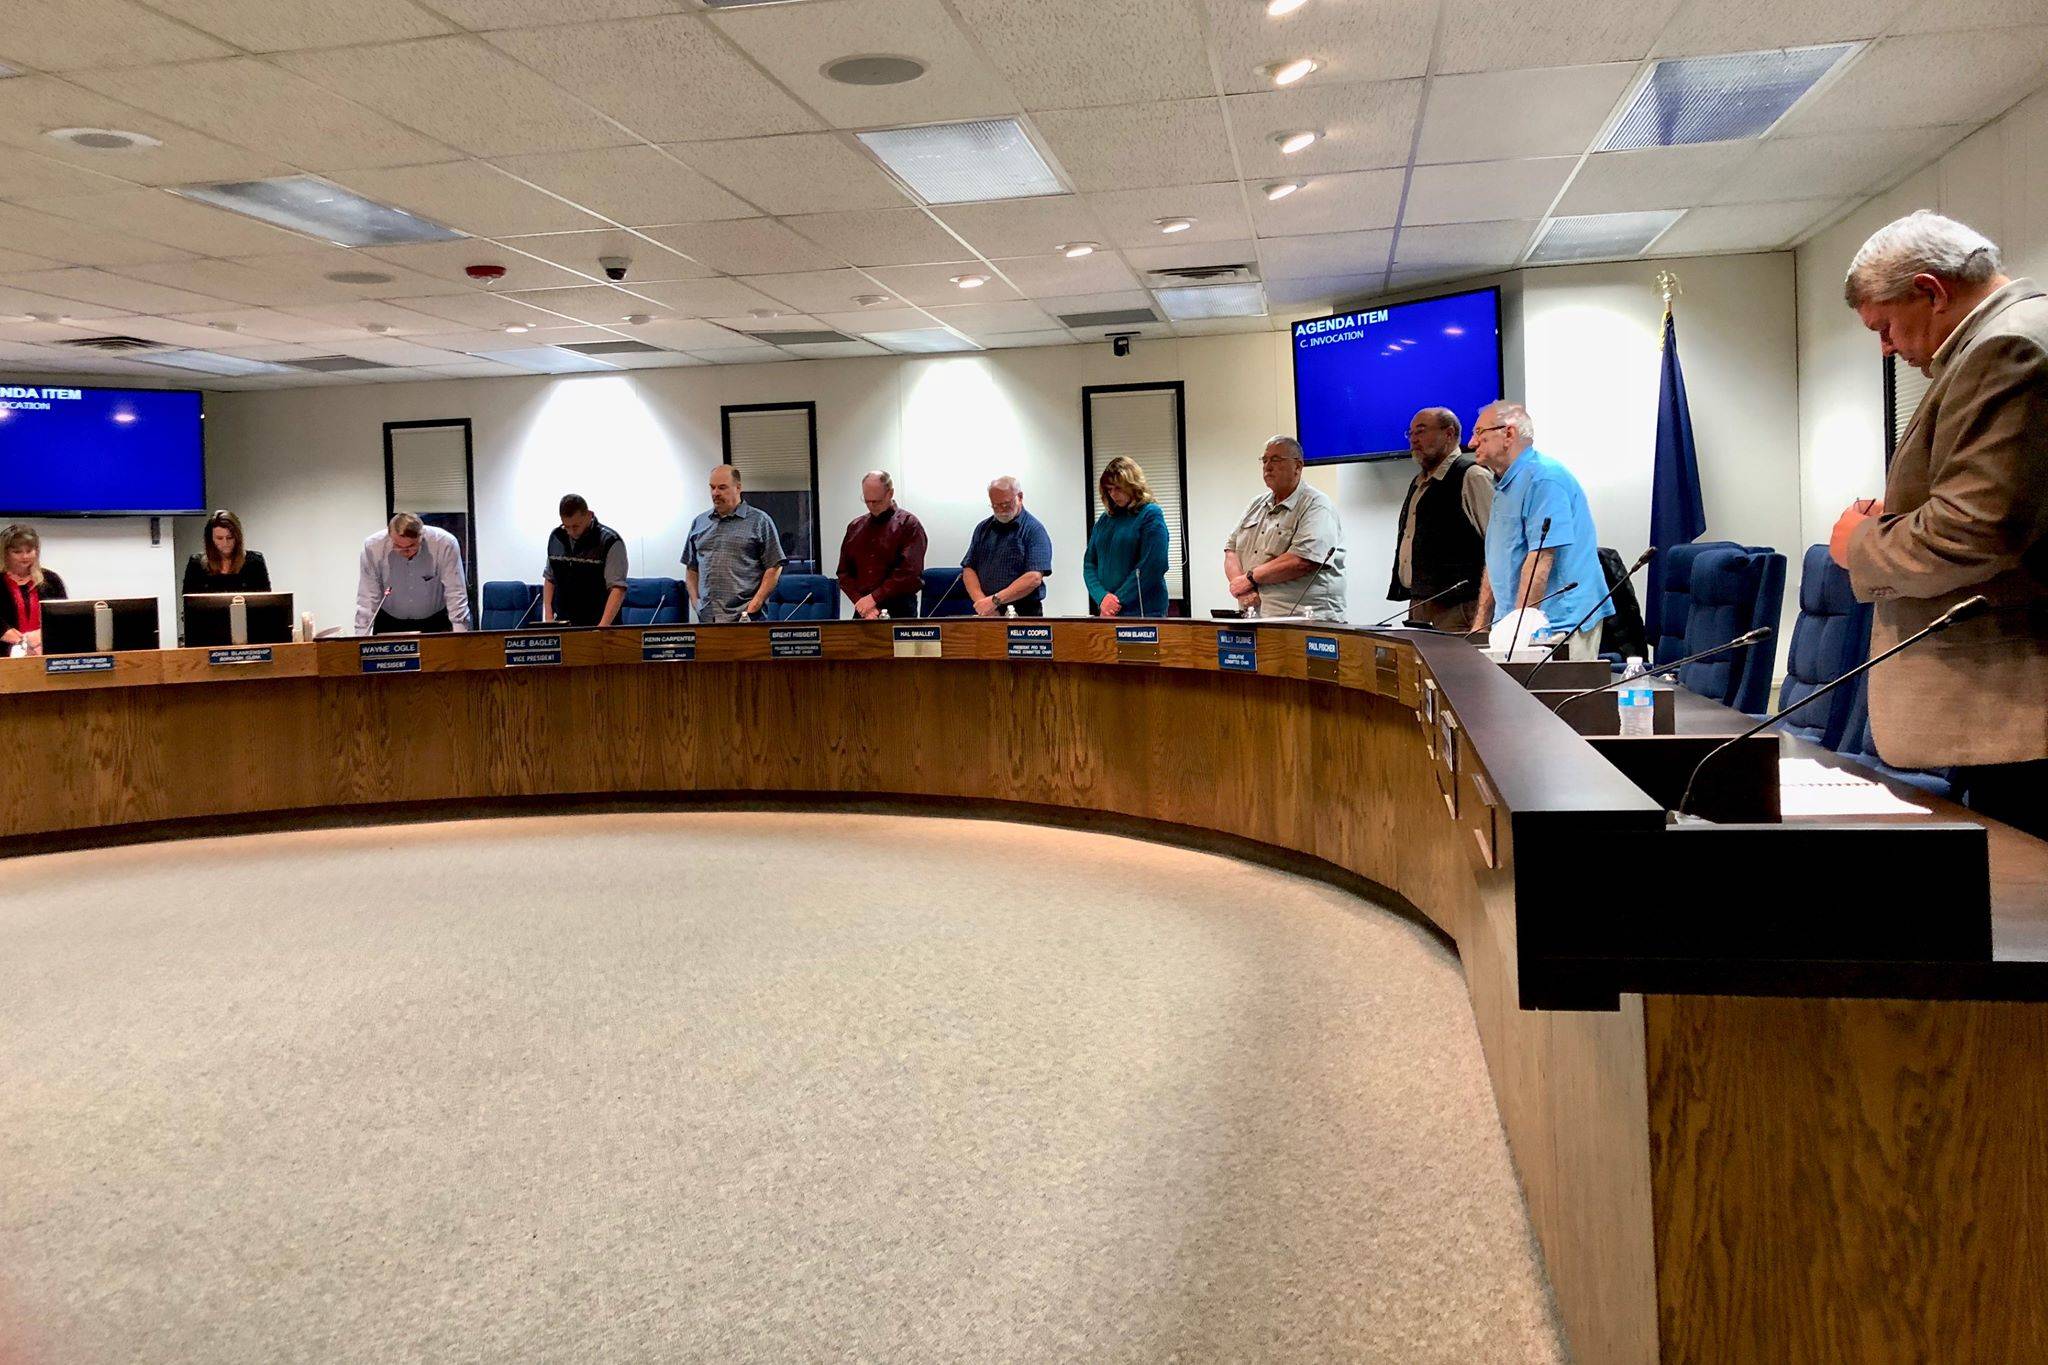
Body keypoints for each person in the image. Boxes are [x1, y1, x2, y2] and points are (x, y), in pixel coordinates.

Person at [1831, 210, 2048, 837]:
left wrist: (1861, 543)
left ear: (1930, 291)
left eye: (1887, 326)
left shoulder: (2008, 347)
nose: (1887, 347)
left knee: (2021, 920)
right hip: (2010, 721)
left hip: (2020, 713)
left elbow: (1977, 530)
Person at [1470, 402, 1610, 658]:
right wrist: (1480, 625)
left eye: (1480, 433)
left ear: (1508, 434)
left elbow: (1541, 559)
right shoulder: (1503, 483)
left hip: (1557, 626)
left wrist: (1522, 630)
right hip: (1515, 627)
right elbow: (1496, 559)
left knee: (1552, 698)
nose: (1471, 443)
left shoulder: (1544, 478)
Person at [1389, 408, 1492, 631]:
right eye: (1411, 433)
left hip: (1461, 609)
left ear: (1449, 434)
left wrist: (1483, 617)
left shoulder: (1471, 476)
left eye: (1422, 431)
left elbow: (1498, 545)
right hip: (1420, 604)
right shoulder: (1418, 483)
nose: (1414, 439)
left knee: (1458, 667)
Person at [1223, 436, 1348, 620]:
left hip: (1305, 621)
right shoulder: (1255, 505)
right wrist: (1240, 588)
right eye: (1264, 460)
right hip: (1256, 618)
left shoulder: (1316, 505)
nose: (1267, 466)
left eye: (1275, 459)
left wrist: (1249, 578)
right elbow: (1230, 550)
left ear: (1297, 466)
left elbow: (1302, 561)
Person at [683, 464, 785, 624]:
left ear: (738, 488)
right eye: (712, 487)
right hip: (708, 619)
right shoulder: (699, 523)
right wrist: (696, 602)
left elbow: (774, 566)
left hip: (747, 619)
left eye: (722, 488)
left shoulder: (759, 521)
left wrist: (755, 604)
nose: (715, 493)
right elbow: (691, 568)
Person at [353, 511, 472, 635]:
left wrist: (460, 637)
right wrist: (361, 637)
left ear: (422, 536)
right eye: (398, 546)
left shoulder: (445, 544)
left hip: (435, 621)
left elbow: (455, 593)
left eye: (412, 546)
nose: (405, 551)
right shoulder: (373, 546)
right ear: (389, 536)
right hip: (389, 620)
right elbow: (367, 596)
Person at [1083, 455, 1170, 618]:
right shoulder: (1104, 520)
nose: (1113, 494)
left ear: (1132, 485)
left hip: (1144, 610)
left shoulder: (1150, 514)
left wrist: (1115, 602)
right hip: (1108, 610)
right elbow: (1089, 563)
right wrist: (1102, 598)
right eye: (1109, 489)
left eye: (1118, 488)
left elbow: (1153, 566)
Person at [834, 471, 926, 620]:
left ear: (890, 493)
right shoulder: (855, 527)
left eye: (876, 501)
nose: (871, 506)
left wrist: (873, 598)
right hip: (863, 609)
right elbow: (844, 573)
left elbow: (908, 573)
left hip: (900, 608)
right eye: (866, 500)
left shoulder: (909, 524)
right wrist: (860, 601)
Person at [961, 476, 1053, 616]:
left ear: (1020, 497)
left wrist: (995, 601)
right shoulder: (982, 528)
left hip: (1024, 613)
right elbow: (969, 569)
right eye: (995, 506)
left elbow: (1033, 577)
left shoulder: (1034, 530)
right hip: (987, 612)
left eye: (1005, 504)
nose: (1001, 510)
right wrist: (983, 604)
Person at [543, 493, 628, 627]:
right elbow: (550, 578)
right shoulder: (557, 537)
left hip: (599, 623)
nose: (571, 532)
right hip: (564, 624)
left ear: (589, 515)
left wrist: (602, 628)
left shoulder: (609, 541)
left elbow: (617, 588)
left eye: (576, 526)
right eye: (567, 526)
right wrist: (548, 617)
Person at [1, 523, 65, 657]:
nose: (25, 556)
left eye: (29, 551)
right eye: (17, 552)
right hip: (5, 652)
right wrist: (18, 640)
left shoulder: (51, 579)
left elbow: (64, 616)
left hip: (47, 651)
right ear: (5, 553)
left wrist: (42, 635)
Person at [182, 510, 271, 596]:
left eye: (230, 538)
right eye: (219, 538)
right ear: (211, 539)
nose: (225, 543)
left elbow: (266, 602)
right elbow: (189, 604)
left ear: (237, 538)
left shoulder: (255, 563)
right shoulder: (196, 565)